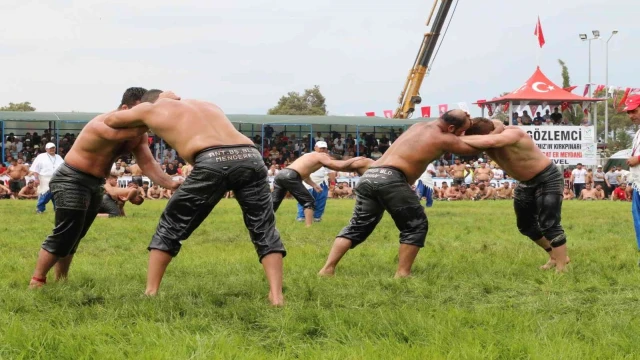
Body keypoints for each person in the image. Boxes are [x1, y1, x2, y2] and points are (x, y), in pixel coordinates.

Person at [103, 89, 286, 306]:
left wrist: (144, 116)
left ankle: (151, 292)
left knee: (171, 223)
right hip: (250, 156)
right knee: (264, 225)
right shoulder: (207, 104)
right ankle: (276, 295)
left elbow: (111, 119)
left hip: (211, 158)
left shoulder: (150, 108)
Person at [28, 87, 180, 289]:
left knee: (77, 233)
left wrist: (171, 184)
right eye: (141, 111)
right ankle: (36, 281)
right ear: (125, 108)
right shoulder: (103, 123)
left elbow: (148, 163)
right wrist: (158, 110)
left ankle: (61, 280)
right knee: (66, 231)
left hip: (97, 182)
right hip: (71, 178)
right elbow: (130, 131)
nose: (145, 116)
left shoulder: (138, 134)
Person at [318, 110, 475, 278]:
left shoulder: (417, 126)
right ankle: (402, 273)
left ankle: (327, 269)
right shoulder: (442, 138)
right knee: (415, 225)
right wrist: (503, 133)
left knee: (357, 226)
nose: (462, 135)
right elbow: (476, 146)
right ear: (451, 128)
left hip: (369, 176)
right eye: (461, 131)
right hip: (391, 178)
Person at [461, 118, 569, 272]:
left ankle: (561, 267)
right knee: (526, 226)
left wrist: (467, 137)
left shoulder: (513, 133)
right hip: (525, 182)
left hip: (547, 178)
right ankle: (554, 255)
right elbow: (493, 126)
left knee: (549, 224)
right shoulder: (488, 133)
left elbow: (493, 141)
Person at [271, 153, 363, 227]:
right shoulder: (323, 156)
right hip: (291, 175)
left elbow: (305, 175)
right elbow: (338, 165)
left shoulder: (312, 158)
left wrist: (314, 185)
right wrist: (355, 159)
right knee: (309, 201)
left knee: (273, 203)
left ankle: (262, 223)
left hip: (282, 175)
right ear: (331, 157)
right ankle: (308, 226)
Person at [295, 141, 335, 223]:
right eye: (321, 148)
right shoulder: (307, 156)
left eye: (324, 148)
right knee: (304, 199)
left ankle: (317, 217)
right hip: (307, 181)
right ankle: (301, 217)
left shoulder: (327, 158)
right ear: (315, 148)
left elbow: (331, 172)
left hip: (322, 182)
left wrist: (332, 183)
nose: (322, 150)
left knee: (321, 200)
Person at [29, 142, 64, 213]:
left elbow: (63, 168)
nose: (52, 149)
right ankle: (40, 209)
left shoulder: (58, 157)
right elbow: (36, 169)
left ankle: (57, 210)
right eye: (50, 148)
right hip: (44, 178)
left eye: (53, 148)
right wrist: (36, 178)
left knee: (56, 194)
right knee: (45, 193)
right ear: (46, 149)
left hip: (57, 178)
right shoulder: (41, 156)